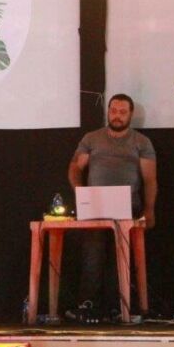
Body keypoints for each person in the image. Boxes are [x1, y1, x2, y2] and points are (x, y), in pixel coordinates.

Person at [67, 93, 157, 322]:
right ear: (108, 111)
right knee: (92, 252)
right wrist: (80, 191)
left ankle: (120, 305)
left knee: (122, 255)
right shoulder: (91, 138)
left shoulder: (141, 142)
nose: (117, 116)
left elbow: (150, 179)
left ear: (131, 114)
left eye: (122, 112)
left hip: (129, 206)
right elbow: (75, 167)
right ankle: (87, 304)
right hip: (95, 205)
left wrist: (149, 209)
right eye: (113, 111)